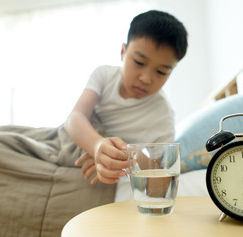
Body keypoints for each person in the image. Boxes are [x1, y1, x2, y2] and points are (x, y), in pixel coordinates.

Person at [65, 10, 188, 185]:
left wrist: (120, 160)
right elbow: (76, 117)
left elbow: (161, 175)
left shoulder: (162, 115)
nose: (146, 78)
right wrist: (97, 146)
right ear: (123, 51)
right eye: (139, 62)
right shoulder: (104, 75)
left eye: (161, 72)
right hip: (71, 141)